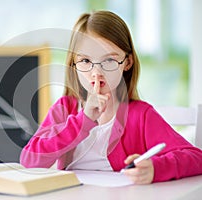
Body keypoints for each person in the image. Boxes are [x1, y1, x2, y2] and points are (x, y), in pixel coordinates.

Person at [20, 10, 202, 184]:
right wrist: (83, 121)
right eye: (85, 61)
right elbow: (29, 160)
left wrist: (155, 168)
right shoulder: (64, 109)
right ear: (73, 64)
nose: (96, 72)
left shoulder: (140, 115)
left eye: (109, 60)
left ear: (127, 63)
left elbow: (196, 157)